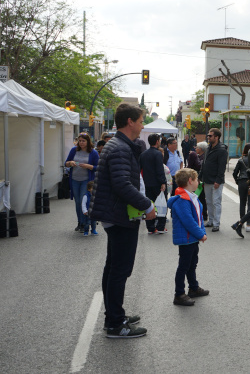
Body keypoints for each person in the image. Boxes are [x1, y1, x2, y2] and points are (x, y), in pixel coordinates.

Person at [90, 103, 156, 338]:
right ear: (130, 122)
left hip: (116, 215)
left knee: (113, 268)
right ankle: (116, 324)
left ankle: (114, 315)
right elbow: (122, 185)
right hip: (119, 216)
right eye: (140, 121)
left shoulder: (119, 145)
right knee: (120, 270)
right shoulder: (119, 148)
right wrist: (147, 204)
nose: (142, 125)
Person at [168, 168, 209, 307]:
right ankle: (179, 294)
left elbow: (198, 217)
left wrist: (200, 232)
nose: (198, 182)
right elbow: (188, 221)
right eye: (197, 179)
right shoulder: (182, 200)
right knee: (184, 266)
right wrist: (200, 234)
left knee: (192, 264)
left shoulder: (190, 196)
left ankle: (193, 288)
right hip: (186, 239)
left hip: (192, 238)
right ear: (190, 181)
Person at [65, 133, 100, 232]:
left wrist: (89, 166)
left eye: (83, 141)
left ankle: (85, 223)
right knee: (77, 202)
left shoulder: (93, 153)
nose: (81, 143)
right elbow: (66, 163)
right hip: (74, 179)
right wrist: (70, 163)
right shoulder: (73, 150)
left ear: (88, 141)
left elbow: (98, 167)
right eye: (79, 141)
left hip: (86, 180)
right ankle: (80, 222)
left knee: (82, 201)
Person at [199, 128, 228, 232]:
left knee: (216, 202)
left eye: (210, 136)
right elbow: (204, 163)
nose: (208, 137)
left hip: (216, 181)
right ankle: (211, 221)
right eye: (208, 135)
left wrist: (218, 180)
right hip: (207, 180)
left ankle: (216, 223)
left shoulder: (221, 150)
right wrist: (200, 177)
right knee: (209, 202)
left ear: (217, 137)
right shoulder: (208, 148)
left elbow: (222, 167)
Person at [140, 134, 168, 234]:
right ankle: (160, 227)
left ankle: (150, 227)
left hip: (147, 183)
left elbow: (140, 169)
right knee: (161, 204)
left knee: (149, 205)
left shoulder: (143, 154)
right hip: (157, 184)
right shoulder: (158, 154)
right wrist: (163, 182)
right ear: (157, 141)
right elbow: (159, 169)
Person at [232, 143, 250, 233]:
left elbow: (234, 173)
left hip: (242, 181)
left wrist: (237, 181)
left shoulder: (240, 160)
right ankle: (248, 224)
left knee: (242, 202)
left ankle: (241, 222)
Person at [187, 141, 208, 224]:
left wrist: (194, 156)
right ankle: (200, 214)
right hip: (196, 180)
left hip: (200, 181)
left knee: (201, 198)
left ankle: (204, 215)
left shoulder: (202, 157)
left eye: (197, 147)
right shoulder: (199, 156)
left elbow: (199, 166)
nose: (195, 149)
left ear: (201, 149)